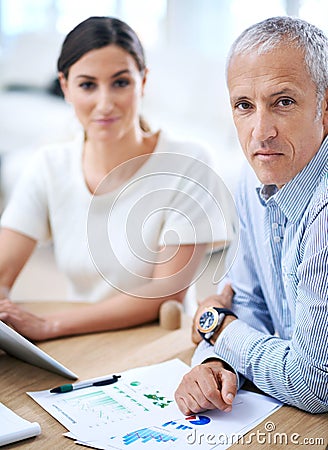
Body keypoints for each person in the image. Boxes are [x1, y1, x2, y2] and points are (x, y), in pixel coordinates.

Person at [0, 17, 233, 341]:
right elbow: (3, 268)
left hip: (155, 344)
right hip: (74, 342)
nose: (105, 103)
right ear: (65, 87)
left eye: (120, 82)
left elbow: (167, 292)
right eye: (87, 85)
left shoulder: (188, 164)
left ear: (144, 81)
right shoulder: (49, 165)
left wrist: (49, 325)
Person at [175, 16, 328, 415]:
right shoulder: (253, 175)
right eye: (245, 105)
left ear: (325, 107)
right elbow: (244, 301)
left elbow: (314, 383)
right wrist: (214, 364)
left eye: (284, 102)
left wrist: (216, 329)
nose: (261, 132)